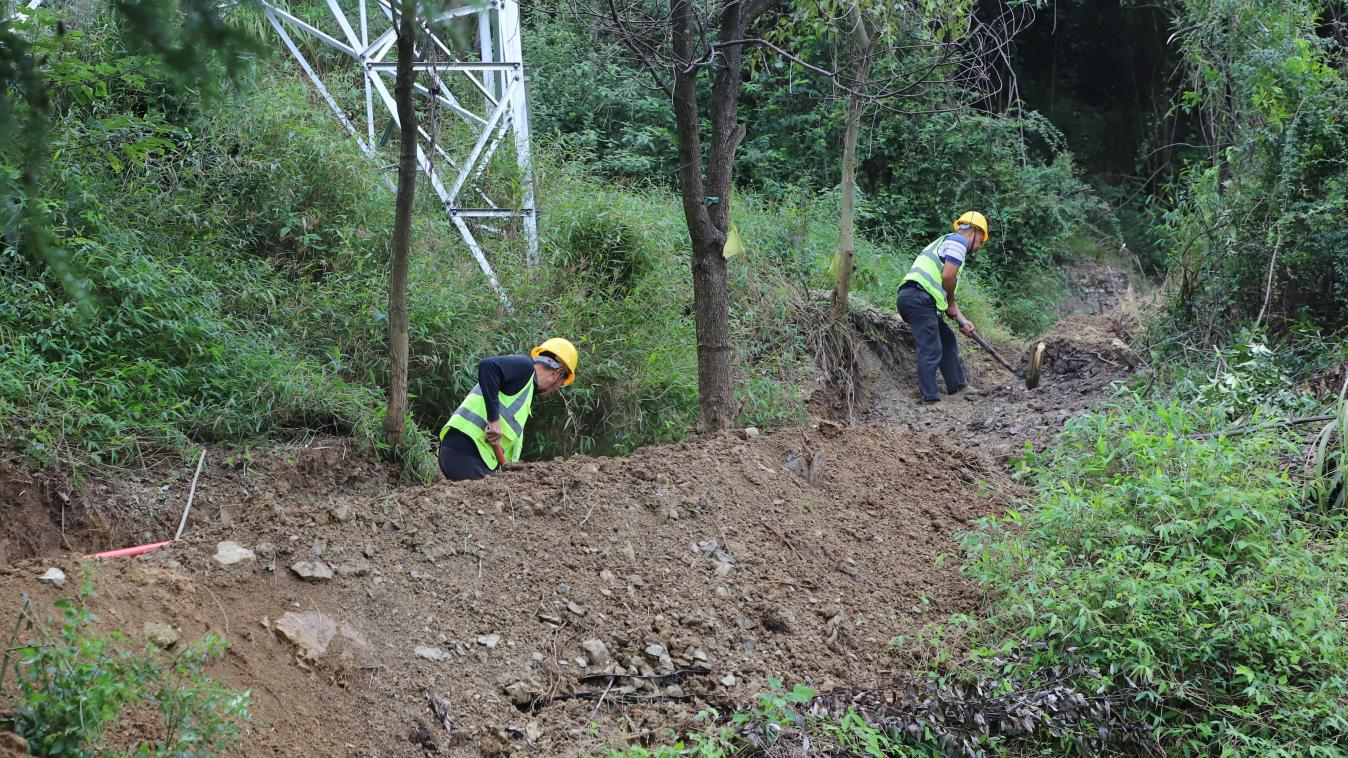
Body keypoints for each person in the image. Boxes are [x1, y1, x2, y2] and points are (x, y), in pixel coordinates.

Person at [438, 338, 579, 481]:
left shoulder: (523, 395)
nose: (555, 390)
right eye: (560, 385)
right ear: (557, 373)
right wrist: (494, 420)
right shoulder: (525, 367)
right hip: (466, 451)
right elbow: (488, 366)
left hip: (466, 455)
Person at [896, 212, 989, 403]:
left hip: (918, 299)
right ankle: (930, 398)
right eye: (980, 241)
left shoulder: (949, 243)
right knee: (931, 347)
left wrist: (962, 320)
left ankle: (958, 386)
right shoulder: (958, 242)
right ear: (972, 232)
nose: (978, 247)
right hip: (918, 298)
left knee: (947, 339)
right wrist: (952, 303)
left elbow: (947, 299)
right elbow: (948, 277)